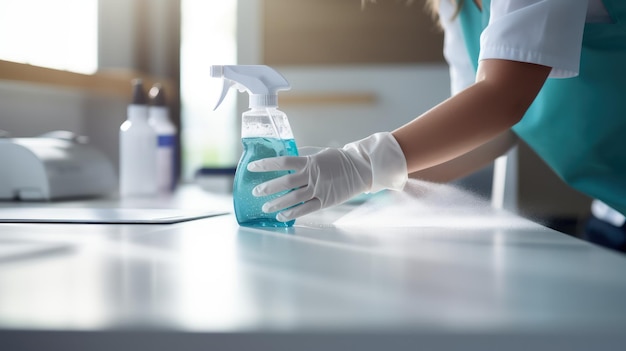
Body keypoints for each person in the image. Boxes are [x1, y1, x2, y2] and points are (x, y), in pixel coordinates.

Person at [248, 0, 626, 251]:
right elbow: (482, 134)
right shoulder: (458, 5)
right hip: (611, 211)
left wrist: (362, 164)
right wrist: (367, 183)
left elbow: (503, 97)